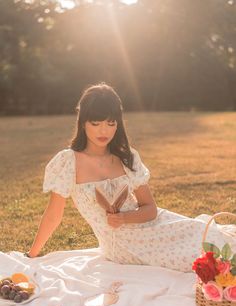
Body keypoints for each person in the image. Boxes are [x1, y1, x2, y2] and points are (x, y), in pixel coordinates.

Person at [27, 83, 233, 272]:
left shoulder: (127, 156)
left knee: (205, 232)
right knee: (208, 260)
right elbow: (54, 215)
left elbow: (150, 209)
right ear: (83, 123)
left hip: (155, 225)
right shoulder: (68, 161)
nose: (104, 131)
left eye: (110, 123)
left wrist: (125, 217)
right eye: (96, 123)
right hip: (125, 245)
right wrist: (32, 255)